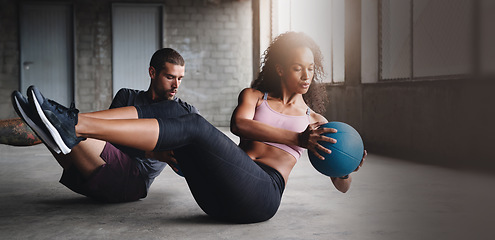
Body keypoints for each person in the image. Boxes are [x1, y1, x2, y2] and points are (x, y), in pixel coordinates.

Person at [12, 32, 365, 223]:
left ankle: (71, 123)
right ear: (280, 69)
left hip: (261, 197)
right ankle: (71, 123)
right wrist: (297, 137)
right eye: (297, 67)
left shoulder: (316, 123)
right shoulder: (254, 96)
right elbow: (239, 124)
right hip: (215, 199)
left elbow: (341, 185)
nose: (306, 76)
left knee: (191, 122)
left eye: (310, 68)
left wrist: (348, 166)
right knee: (175, 115)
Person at [8, 48, 197, 203]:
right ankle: (44, 125)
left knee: (74, 131)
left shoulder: (180, 111)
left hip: (132, 182)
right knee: (74, 136)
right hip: (92, 171)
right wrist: (151, 152)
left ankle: (52, 121)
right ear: (152, 72)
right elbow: (105, 137)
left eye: (180, 79)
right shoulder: (127, 96)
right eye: (170, 77)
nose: (176, 85)